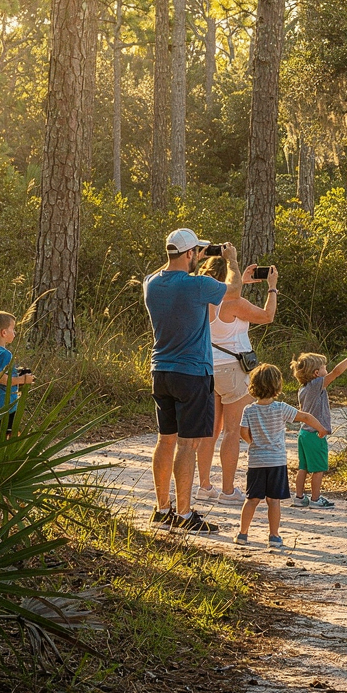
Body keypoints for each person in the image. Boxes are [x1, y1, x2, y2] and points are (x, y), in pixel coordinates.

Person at [143, 228, 233, 534]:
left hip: (161, 371)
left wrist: (193, 253)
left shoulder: (151, 283)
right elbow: (232, 291)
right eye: (196, 252)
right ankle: (183, 514)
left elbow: (167, 267)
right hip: (192, 372)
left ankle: (161, 509)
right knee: (188, 444)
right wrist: (231, 263)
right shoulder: (199, 286)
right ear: (190, 254)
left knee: (165, 439)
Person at [198, 253, 278, 506]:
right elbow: (267, 316)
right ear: (228, 277)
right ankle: (228, 490)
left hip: (207, 367)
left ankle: (204, 486)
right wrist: (272, 288)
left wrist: (241, 280)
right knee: (232, 431)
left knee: (210, 431)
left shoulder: (199, 298)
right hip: (234, 371)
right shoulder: (234, 303)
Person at [234, 363, 317, 549]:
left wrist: (252, 443)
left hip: (256, 461)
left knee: (252, 499)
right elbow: (304, 417)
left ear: (253, 385)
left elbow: (243, 432)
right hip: (276, 461)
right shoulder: (281, 408)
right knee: (274, 500)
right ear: (277, 386)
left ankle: (243, 533)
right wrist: (321, 429)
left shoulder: (249, 410)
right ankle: (274, 536)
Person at [291, 349, 347, 507]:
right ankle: (316, 499)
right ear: (316, 373)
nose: (327, 370)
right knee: (318, 469)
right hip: (315, 434)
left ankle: (299, 497)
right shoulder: (316, 385)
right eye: (324, 367)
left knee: (303, 467)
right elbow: (336, 372)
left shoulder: (303, 389)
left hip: (304, 433)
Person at [0, 310, 34, 438]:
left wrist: (17, 373)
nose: (14, 333)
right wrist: (23, 379)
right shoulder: (5, 354)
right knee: (8, 434)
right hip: (5, 404)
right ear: (4, 332)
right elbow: (1, 377)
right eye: (12, 329)